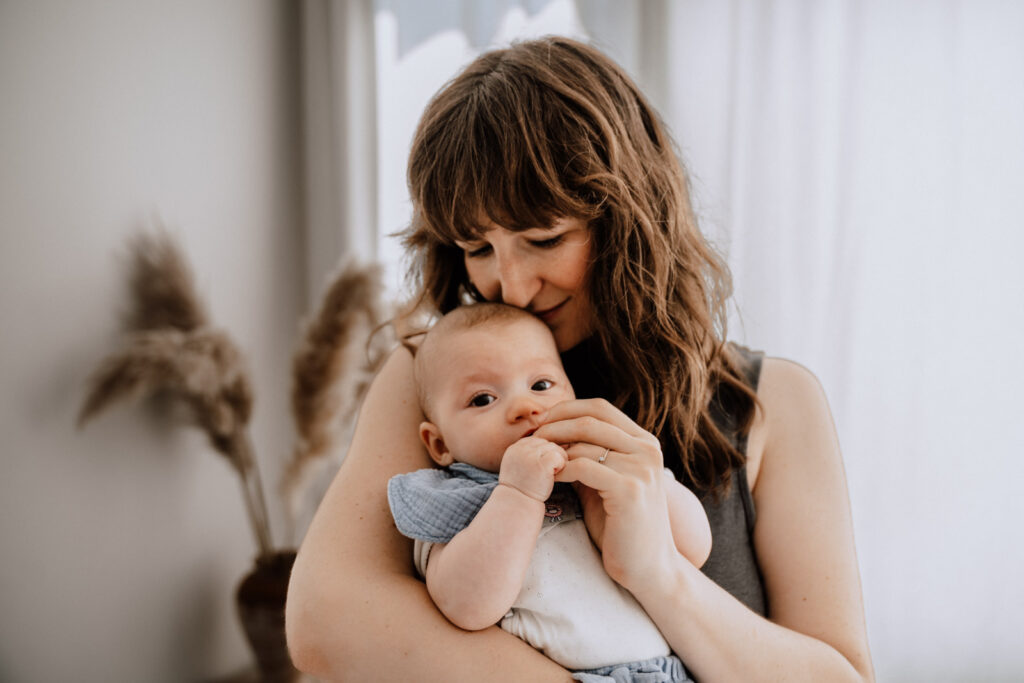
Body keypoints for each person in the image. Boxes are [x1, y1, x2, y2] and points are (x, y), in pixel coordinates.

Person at [285, 36, 875, 682]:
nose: (509, 287)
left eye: (544, 238)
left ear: (629, 221)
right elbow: (325, 621)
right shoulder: (436, 378)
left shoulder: (777, 402)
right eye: (477, 247)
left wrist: (659, 576)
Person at [388, 302, 709, 682]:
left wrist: (646, 482)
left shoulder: (604, 465)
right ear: (439, 444)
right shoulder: (455, 500)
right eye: (483, 399)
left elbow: (694, 549)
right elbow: (466, 607)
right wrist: (518, 493)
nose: (526, 408)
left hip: (667, 672)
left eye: (541, 385)